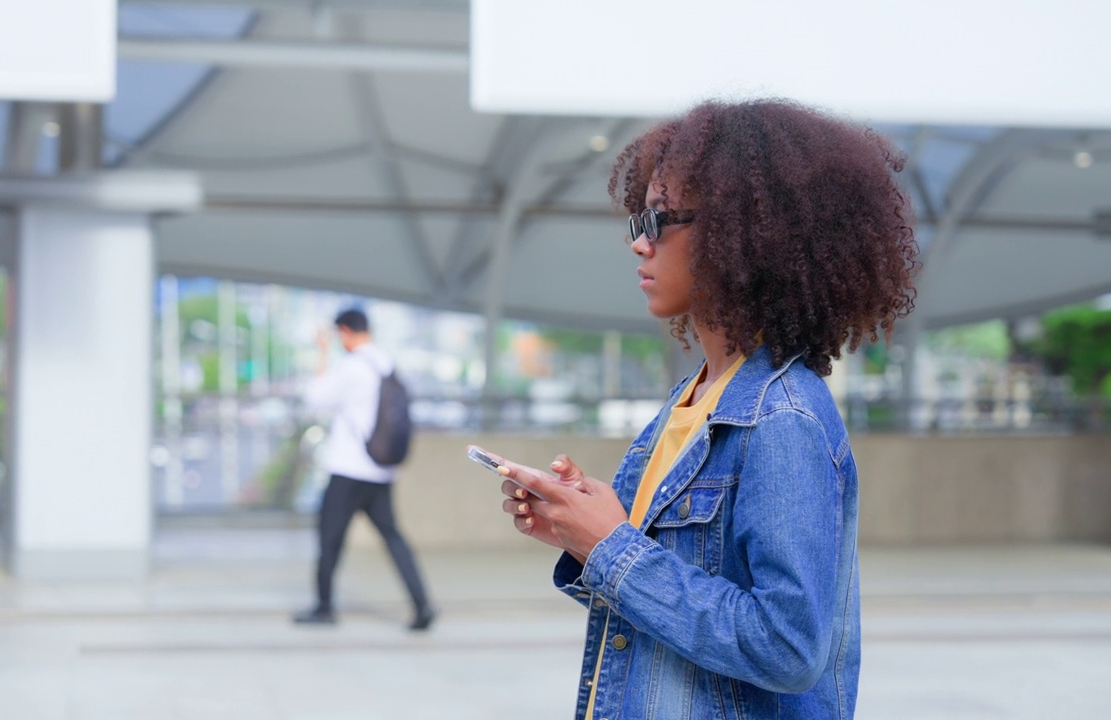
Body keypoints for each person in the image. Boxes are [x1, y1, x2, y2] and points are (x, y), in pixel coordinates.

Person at [490, 99, 919, 719]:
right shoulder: (692, 398)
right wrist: (584, 536)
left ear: (746, 234)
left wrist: (613, 547)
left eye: (660, 220)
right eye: (640, 217)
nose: (639, 243)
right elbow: (672, 624)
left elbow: (788, 648)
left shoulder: (782, 418)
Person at [294, 308, 435, 631]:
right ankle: (422, 604)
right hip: (381, 471)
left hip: (348, 469)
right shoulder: (385, 363)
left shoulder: (352, 366)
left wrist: (322, 352)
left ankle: (324, 607)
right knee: (393, 537)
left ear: (344, 331)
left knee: (329, 538)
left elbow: (314, 399)